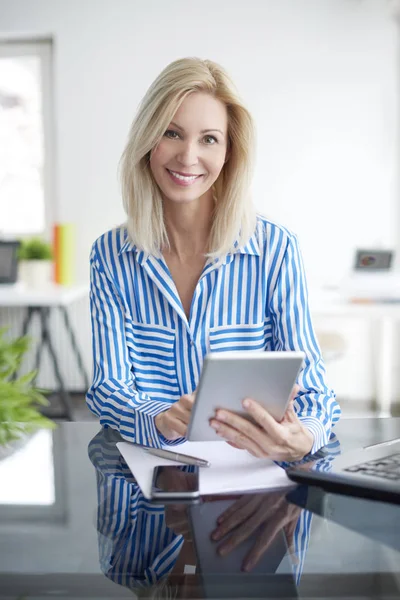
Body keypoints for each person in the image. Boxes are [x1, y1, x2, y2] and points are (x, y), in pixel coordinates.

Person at [86, 57, 341, 462]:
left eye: (208, 139)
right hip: (152, 483)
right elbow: (109, 388)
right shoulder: (110, 256)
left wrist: (305, 437)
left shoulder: (275, 249)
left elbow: (313, 388)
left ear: (228, 152)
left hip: (254, 487)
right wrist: (159, 419)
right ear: (148, 140)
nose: (188, 157)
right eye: (172, 133)